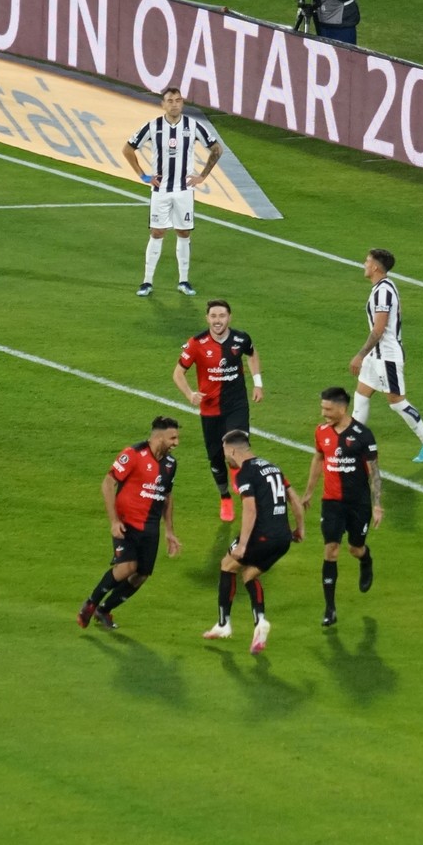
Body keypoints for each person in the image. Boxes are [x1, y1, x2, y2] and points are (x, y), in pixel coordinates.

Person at [77, 416, 183, 630]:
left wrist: (169, 531)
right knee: (127, 567)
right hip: (127, 524)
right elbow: (108, 484)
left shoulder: (171, 464)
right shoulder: (133, 454)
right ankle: (91, 603)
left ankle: (104, 610)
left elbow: (167, 496)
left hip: (150, 528)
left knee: (141, 575)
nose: (176, 443)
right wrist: (114, 521)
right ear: (159, 437)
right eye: (172, 438)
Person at [202, 430, 304, 654]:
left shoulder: (244, 473)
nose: (225, 456)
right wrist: (300, 529)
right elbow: (294, 499)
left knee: (227, 565)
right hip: (283, 537)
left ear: (232, 450)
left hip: (262, 535)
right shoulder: (273, 466)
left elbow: (250, 509)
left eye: (225, 452)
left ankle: (223, 625)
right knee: (249, 575)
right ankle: (260, 622)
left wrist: (243, 544)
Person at [123, 86, 222, 297]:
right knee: (157, 232)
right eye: (170, 100)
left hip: (184, 190)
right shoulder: (153, 126)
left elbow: (216, 149)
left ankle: (184, 281)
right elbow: (128, 149)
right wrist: (143, 176)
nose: (174, 104)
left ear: (182, 103)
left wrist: (203, 175)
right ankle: (147, 281)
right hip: (161, 190)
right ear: (163, 104)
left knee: (184, 232)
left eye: (178, 100)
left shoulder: (192, 126)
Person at [172, 299, 263, 523]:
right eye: (213, 316)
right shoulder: (196, 343)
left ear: (229, 317)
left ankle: (244, 491)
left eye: (221, 316)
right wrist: (190, 394)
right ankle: (225, 498)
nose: (217, 321)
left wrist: (258, 383)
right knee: (216, 459)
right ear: (207, 318)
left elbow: (252, 354)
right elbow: (178, 373)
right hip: (210, 409)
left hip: (237, 405)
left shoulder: (241, 339)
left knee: (236, 449)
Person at [349, 248, 423, 463]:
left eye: (367, 261)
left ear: (376, 267)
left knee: (396, 402)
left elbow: (379, 330)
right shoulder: (381, 288)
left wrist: (360, 355)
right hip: (377, 355)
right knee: (361, 395)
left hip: (386, 356)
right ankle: (350, 442)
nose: (364, 264)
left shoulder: (383, 291)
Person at [300, 386, 380, 629]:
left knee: (355, 549)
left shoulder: (363, 435)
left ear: (342, 408)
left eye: (328, 408)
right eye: (322, 408)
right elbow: (318, 458)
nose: (323, 413)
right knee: (331, 550)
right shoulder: (321, 432)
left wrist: (377, 505)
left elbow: (375, 472)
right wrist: (309, 491)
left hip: (358, 504)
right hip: (331, 502)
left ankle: (366, 560)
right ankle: (330, 608)